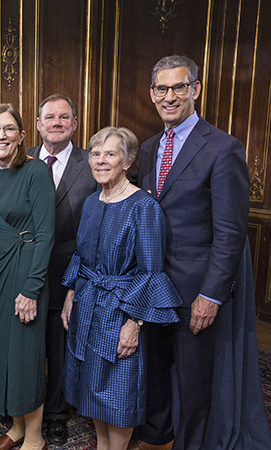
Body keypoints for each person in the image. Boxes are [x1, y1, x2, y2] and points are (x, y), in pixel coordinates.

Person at [133, 55, 271, 450]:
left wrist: (210, 295)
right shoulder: (147, 148)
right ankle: (157, 438)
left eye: (179, 87)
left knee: (194, 383)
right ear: (152, 94)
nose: (169, 96)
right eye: (162, 88)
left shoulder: (224, 148)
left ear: (195, 90)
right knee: (155, 371)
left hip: (194, 289)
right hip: (153, 287)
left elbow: (230, 232)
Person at [60, 126, 182, 450]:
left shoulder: (145, 207)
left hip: (121, 313)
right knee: (92, 392)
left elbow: (151, 271)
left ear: (127, 160)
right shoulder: (90, 202)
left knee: (117, 399)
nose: (100, 161)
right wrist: (70, 296)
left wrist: (135, 323)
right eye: (95, 154)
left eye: (110, 154)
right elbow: (81, 257)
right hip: (87, 307)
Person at [0, 104, 55, 450]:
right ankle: (16, 426)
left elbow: (46, 234)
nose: (1, 135)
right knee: (1, 353)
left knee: (25, 356)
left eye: (9, 129)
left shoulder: (35, 171)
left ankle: (35, 437)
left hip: (25, 272)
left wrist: (31, 288)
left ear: (23, 135)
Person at [26, 94, 97, 446]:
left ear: (74, 124)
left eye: (63, 117)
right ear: (38, 124)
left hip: (68, 273)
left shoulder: (92, 163)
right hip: (23, 273)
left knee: (58, 348)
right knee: (25, 346)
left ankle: (55, 414)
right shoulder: (20, 162)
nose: (56, 122)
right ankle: (23, 409)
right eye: (49, 117)